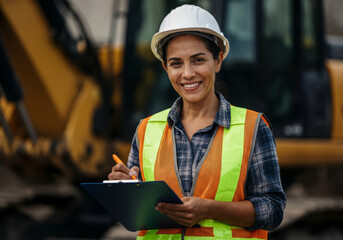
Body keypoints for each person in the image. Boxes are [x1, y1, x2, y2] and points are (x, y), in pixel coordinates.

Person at [108, 4, 286, 240]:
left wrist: (209, 210)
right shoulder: (146, 130)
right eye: (176, 63)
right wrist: (123, 187)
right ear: (165, 68)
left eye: (198, 60)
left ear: (218, 60)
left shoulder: (253, 128)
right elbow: (134, 212)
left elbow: (272, 210)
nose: (188, 73)